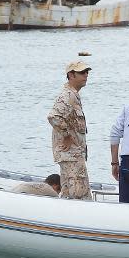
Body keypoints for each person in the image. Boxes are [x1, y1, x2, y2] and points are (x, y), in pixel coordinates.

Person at [47, 61, 92, 200]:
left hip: (71, 156)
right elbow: (53, 117)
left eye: (87, 72)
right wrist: (66, 135)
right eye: (82, 72)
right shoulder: (68, 95)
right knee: (80, 194)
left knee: (68, 194)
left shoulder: (73, 95)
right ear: (71, 75)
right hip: (71, 155)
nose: (86, 75)